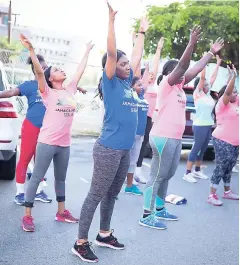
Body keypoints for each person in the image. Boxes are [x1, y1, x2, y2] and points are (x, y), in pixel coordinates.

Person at [71, 2, 147, 263]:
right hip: (108, 148)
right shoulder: (112, 81)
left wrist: (142, 34)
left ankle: (104, 234)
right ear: (113, 66)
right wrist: (111, 22)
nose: (128, 66)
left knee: (112, 194)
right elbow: (113, 54)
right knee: (96, 193)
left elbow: (134, 57)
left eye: (128, 64)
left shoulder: (127, 84)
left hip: (123, 149)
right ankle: (80, 242)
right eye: (122, 63)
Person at [139, 26, 224, 230]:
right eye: (178, 69)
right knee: (157, 176)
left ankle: (159, 209)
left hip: (175, 139)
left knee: (167, 175)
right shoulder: (167, 85)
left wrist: (211, 54)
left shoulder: (179, 88)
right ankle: (146, 214)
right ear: (170, 72)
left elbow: (192, 69)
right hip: (162, 137)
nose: (183, 72)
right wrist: (191, 43)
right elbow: (185, 64)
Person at [19, 34, 94, 232]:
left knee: (60, 179)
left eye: (61, 68)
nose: (62, 70)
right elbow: (39, 71)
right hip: (46, 142)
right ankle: (27, 216)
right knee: (36, 177)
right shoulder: (47, 92)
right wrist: (31, 50)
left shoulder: (69, 90)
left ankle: (61, 212)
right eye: (57, 69)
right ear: (51, 77)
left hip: (64, 144)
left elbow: (80, 70)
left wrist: (87, 51)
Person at [0, 54, 52, 205]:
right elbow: (10, 93)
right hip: (31, 127)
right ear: (36, 70)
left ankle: (39, 191)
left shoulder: (51, 87)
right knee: (25, 159)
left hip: (47, 130)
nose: (45, 70)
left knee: (40, 161)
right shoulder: (29, 85)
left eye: (47, 67)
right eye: (43, 68)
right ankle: (20, 193)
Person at [183, 55, 222, 183]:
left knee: (204, 148)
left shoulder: (208, 95)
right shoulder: (197, 94)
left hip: (208, 124)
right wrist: (204, 63)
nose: (207, 85)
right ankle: (187, 172)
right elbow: (204, 78)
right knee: (197, 147)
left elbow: (212, 78)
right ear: (200, 86)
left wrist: (217, 64)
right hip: (199, 125)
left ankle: (197, 170)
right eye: (205, 84)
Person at [207, 65, 239, 206]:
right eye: (234, 92)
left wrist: (234, 79)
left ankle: (227, 192)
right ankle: (211, 194)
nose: (236, 94)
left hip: (234, 142)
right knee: (221, 166)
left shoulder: (236, 102)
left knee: (229, 166)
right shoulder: (222, 104)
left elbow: (232, 92)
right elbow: (227, 92)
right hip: (222, 140)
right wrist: (233, 77)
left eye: (236, 92)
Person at [134, 37, 164, 184]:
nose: (151, 74)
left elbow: (156, 67)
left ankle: (137, 170)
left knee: (143, 143)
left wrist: (159, 49)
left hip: (149, 118)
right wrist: (136, 44)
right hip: (138, 116)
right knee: (133, 143)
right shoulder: (142, 85)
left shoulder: (155, 86)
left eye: (153, 74)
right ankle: (129, 171)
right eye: (148, 73)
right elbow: (137, 62)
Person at [125, 67, 149, 195]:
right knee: (124, 160)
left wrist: (148, 69)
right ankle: (114, 188)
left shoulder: (143, 98)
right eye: (138, 85)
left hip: (140, 135)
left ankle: (129, 185)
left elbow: (146, 80)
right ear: (132, 86)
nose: (142, 87)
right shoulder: (132, 97)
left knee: (133, 161)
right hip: (130, 134)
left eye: (142, 85)